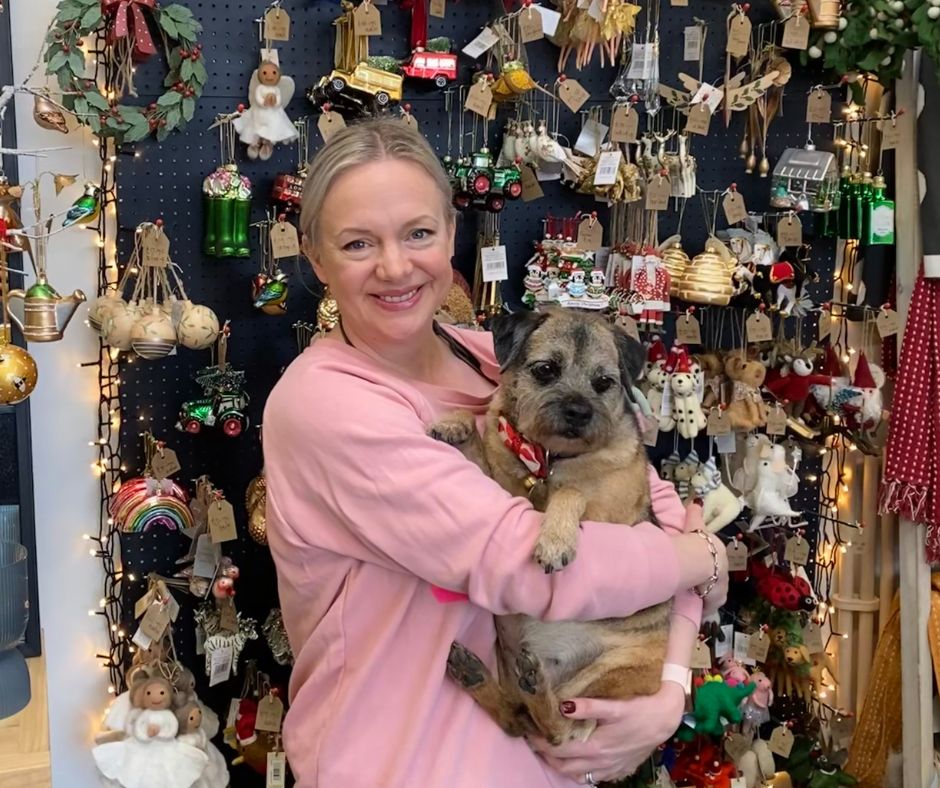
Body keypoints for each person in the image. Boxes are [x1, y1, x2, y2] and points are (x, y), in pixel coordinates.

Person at [262, 118, 729, 788]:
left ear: (451, 235)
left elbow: (652, 509)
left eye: (418, 233)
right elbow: (525, 562)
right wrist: (700, 558)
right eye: (358, 242)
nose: (395, 266)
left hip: (541, 765)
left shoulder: (497, 364)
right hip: (401, 766)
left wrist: (671, 686)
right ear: (315, 258)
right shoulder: (327, 406)